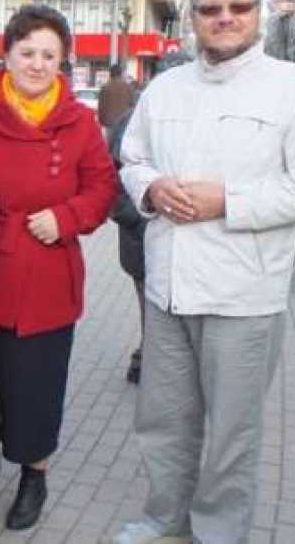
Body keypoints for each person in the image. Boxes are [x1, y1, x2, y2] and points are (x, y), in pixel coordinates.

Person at [115, 0, 295, 544]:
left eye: (238, 7)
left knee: (231, 435)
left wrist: (229, 201)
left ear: (257, 12)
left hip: (244, 296)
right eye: (210, 8)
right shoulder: (165, 87)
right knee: (164, 422)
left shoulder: (294, 89)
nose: (224, 18)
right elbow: (133, 158)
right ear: (192, 15)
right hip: (167, 290)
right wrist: (151, 189)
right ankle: (164, 522)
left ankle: (217, 533)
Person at [0, 4, 116, 531]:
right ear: (6, 55)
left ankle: (34, 473)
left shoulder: (79, 120)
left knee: (38, 383)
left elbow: (102, 187)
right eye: (27, 52)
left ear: (63, 60)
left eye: (50, 55)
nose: (38, 64)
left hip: (47, 271)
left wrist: (66, 216)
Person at [109, 52, 194, 385]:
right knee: (152, 308)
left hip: (185, 242)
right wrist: (144, 214)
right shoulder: (132, 120)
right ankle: (148, 362)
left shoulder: (198, 120)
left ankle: (155, 361)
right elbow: (111, 181)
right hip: (142, 237)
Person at [98, 63, 136, 133]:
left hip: (110, 122)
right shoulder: (128, 87)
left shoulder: (105, 87)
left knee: (110, 139)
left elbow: (101, 107)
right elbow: (133, 105)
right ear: (121, 74)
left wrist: (101, 121)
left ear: (110, 74)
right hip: (124, 122)